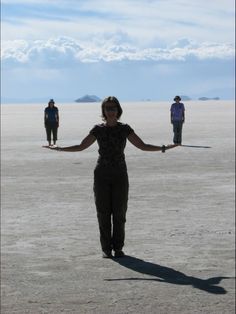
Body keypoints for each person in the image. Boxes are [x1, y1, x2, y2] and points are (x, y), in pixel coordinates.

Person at [43, 96, 177, 258]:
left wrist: (163, 148)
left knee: (120, 213)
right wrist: (60, 149)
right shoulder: (98, 130)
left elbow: (142, 146)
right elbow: (81, 146)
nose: (111, 111)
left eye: (113, 108)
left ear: (118, 110)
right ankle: (106, 249)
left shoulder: (125, 129)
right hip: (102, 174)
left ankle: (118, 248)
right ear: (104, 111)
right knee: (103, 212)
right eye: (107, 108)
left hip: (120, 174)